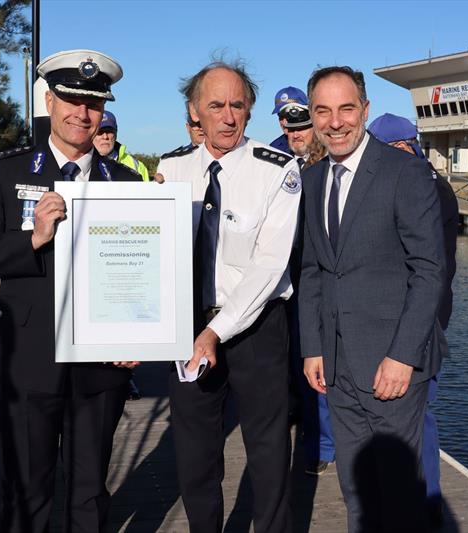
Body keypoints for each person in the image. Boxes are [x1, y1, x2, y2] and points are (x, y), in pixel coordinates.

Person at [0, 49, 140, 532]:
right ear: (49, 101)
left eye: (93, 103)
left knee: (89, 495)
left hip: (100, 367)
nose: (83, 113)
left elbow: (141, 271)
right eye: (72, 100)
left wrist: (140, 333)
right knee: (26, 495)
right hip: (28, 365)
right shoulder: (7, 170)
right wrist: (32, 238)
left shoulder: (123, 182)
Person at [299, 66, 446, 533]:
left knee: (400, 498)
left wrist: (402, 356)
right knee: (356, 492)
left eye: (346, 108)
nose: (335, 121)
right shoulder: (314, 179)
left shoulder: (405, 171)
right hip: (338, 368)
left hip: (392, 368)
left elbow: (430, 271)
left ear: (365, 110)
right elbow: (313, 270)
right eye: (323, 110)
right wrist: (313, 347)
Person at [160, 61, 301, 533]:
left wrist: (215, 332)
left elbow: (269, 266)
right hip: (186, 326)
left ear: (250, 111)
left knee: (268, 451)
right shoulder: (170, 168)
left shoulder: (279, 171)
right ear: (194, 111)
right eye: (215, 105)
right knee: (195, 452)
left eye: (237, 105)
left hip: (257, 329)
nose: (227, 116)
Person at [369, 112, 459, 528]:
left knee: (419, 417)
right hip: (406, 318)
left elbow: (429, 268)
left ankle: (427, 505)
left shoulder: (425, 189)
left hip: (422, 322)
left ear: (405, 147)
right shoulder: (427, 182)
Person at [270, 86, 336, 475]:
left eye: (302, 125)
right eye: (287, 122)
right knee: (293, 361)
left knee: (319, 363)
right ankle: (304, 427)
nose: (294, 131)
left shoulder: (328, 160)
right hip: (282, 277)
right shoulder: (273, 156)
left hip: (318, 276)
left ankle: (323, 444)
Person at [92, 110, 150, 181]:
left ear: (116, 133)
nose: (105, 136)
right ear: (91, 134)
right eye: (100, 132)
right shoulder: (80, 163)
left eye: (109, 131)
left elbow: (146, 191)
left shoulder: (137, 166)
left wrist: (158, 186)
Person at [154, 105, 205, 183]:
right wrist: (156, 186)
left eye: (204, 124)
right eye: (196, 125)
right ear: (188, 128)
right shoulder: (169, 162)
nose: (201, 129)